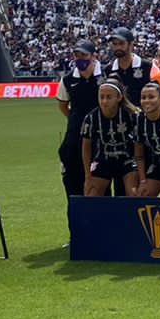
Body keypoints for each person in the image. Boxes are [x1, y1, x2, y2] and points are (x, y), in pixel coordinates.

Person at [55, 37, 101, 198]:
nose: (80, 59)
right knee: (74, 188)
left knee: (99, 189)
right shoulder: (68, 79)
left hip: (101, 137)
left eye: (84, 55)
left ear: (93, 56)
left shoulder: (105, 75)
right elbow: (62, 105)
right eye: (77, 55)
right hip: (75, 138)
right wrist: (76, 120)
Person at [80, 79, 140, 197]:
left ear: (119, 98)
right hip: (104, 159)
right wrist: (88, 176)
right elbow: (86, 147)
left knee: (133, 194)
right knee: (91, 194)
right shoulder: (91, 118)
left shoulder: (132, 115)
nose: (104, 101)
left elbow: (140, 144)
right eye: (101, 97)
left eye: (108, 97)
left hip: (127, 159)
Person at [106, 27, 149, 105]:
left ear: (130, 44)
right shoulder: (109, 70)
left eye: (121, 43)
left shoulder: (146, 66)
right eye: (115, 44)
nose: (118, 47)